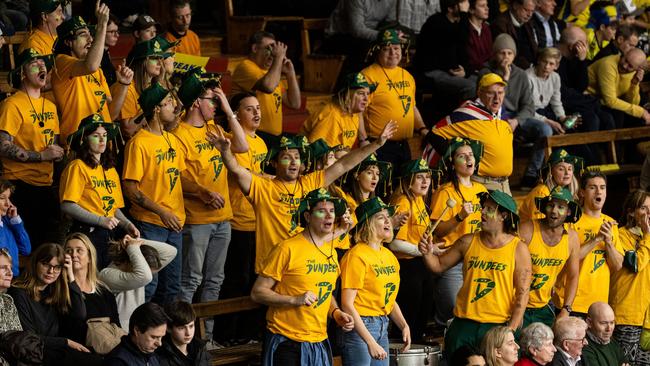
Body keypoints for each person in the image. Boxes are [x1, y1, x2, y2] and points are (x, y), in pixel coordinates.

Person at [207, 117, 398, 274]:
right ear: (274, 163)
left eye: (297, 157)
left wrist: (376, 144)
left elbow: (343, 165)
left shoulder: (310, 183)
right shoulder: (262, 187)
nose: (293, 162)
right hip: (273, 270)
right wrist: (225, 151)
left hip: (308, 266)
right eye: (286, 157)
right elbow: (236, 169)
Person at [173, 70, 248, 342]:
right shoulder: (179, 133)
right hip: (197, 220)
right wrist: (201, 192)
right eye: (211, 99)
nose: (215, 104)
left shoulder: (214, 129)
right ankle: (182, 337)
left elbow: (241, 146)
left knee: (215, 281)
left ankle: (206, 339)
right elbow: (176, 175)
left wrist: (228, 108)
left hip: (223, 219)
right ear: (195, 102)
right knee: (190, 280)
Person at [421, 190, 532, 356]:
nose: (482, 212)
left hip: (497, 325)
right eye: (483, 208)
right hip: (463, 325)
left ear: (503, 216)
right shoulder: (467, 241)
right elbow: (438, 266)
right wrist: (426, 253)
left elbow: (523, 294)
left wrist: (511, 329)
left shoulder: (518, 248)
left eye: (489, 209)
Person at [251, 188, 355, 365]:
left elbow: (325, 292)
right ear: (307, 217)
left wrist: (336, 313)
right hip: (287, 341)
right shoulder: (287, 248)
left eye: (331, 211)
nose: (329, 216)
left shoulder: (331, 251)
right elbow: (257, 292)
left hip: (319, 340)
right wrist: (294, 300)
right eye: (321, 211)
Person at [122, 83, 185, 304]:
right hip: (150, 223)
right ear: (156, 109)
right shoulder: (138, 143)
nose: (174, 106)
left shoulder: (172, 140)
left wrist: (203, 191)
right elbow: (131, 189)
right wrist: (161, 212)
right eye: (169, 102)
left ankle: (165, 336)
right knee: (149, 285)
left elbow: (179, 178)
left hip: (175, 223)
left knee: (172, 286)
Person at [217, 92, 268, 344]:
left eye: (258, 108)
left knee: (256, 281)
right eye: (250, 109)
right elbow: (243, 175)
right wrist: (273, 180)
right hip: (237, 221)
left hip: (259, 222)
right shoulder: (228, 141)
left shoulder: (262, 144)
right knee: (236, 281)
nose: (257, 113)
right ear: (236, 114)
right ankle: (226, 335)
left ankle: (249, 334)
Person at [0, 48, 63, 247]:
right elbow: (2, 145)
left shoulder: (50, 106)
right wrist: (42, 156)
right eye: (34, 64)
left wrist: (58, 153)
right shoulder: (12, 104)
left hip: (46, 184)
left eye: (43, 63)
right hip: (21, 184)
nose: (42, 66)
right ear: (22, 73)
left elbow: (52, 142)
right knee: (27, 247)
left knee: (48, 246)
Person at [59, 114, 139, 269]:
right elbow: (67, 205)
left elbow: (113, 208)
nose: (102, 140)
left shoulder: (110, 169)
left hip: (108, 233)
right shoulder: (77, 166)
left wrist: (127, 224)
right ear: (84, 139)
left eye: (104, 135)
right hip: (85, 232)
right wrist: (100, 220)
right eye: (96, 136)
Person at [340, 197, 411, 365]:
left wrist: (404, 325)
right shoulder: (356, 255)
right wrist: (370, 342)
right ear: (369, 223)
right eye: (381, 217)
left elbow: (389, 299)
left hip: (382, 325)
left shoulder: (389, 256)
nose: (388, 221)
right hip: (360, 326)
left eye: (388, 217)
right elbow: (347, 304)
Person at [8, 244, 102, 365]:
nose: (51, 271)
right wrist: (66, 342)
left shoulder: (53, 292)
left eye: (57, 267)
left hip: (54, 349)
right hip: (35, 352)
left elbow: (80, 314)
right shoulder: (18, 293)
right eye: (46, 264)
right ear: (35, 263)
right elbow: (29, 338)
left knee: (96, 360)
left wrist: (71, 276)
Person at [429, 138, 487, 332]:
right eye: (462, 156)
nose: (469, 158)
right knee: (453, 314)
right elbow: (436, 230)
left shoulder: (481, 190)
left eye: (471, 154)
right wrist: (459, 217)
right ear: (453, 164)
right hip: (452, 260)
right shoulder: (445, 192)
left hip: (477, 259)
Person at [52, 8, 133, 143]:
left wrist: (124, 84)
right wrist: (102, 24)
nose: (90, 39)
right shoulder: (61, 62)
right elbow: (90, 65)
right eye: (83, 34)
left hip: (101, 143)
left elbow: (111, 114)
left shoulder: (97, 71)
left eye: (91, 34)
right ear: (68, 42)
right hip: (78, 145)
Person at [427, 73, 514, 193]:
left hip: (505, 184)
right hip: (481, 184)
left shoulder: (501, 118)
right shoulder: (466, 115)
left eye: (500, 92)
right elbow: (433, 134)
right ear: (479, 93)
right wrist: (456, 158)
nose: (496, 97)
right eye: (491, 92)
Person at [552, 172, 623, 316]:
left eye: (602, 187)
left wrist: (608, 242)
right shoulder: (570, 221)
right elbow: (565, 258)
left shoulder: (610, 223)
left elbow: (617, 265)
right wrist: (596, 240)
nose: (599, 192)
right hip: (571, 303)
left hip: (599, 305)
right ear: (582, 192)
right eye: (593, 187)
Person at [362, 29, 428, 168]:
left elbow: (412, 107)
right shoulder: (368, 76)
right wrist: (363, 140)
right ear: (377, 51)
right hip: (378, 144)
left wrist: (422, 129)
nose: (393, 53)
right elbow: (358, 112)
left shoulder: (407, 75)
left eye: (396, 48)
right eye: (387, 49)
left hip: (404, 145)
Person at [387, 159, 436, 343]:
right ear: (408, 181)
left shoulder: (420, 201)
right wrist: (424, 251)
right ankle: (403, 344)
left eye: (427, 177)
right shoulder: (402, 202)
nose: (425, 182)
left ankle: (417, 339)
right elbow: (395, 243)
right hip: (405, 264)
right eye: (419, 178)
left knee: (426, 301)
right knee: (410, 306)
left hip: (419, 261)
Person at [518, 187, 581, 328]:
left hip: (544, 307)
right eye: (551, 205)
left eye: (560, 207)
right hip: (515, 304)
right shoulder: (527, 229)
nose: (554, 211)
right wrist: (517, 310)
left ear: (569, 212)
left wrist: (566, 309)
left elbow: (573, 276)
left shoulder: (572, 238)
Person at [231, 30, 301, 147]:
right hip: (254, 133)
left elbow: (294, 103)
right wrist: (278, 58)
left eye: (275, 49)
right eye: (270, 48)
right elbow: (268, 87)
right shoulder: (245, 66)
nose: (273, 53)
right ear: (255, 48)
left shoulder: (271, 73)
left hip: (272, 136)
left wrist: (290, 73)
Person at [99, 236, 177, 331]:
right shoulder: (107, 274)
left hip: (134, 332)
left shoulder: (138, 273)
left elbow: (171, 251)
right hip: (117, 334)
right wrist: (133, 248)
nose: (150, 274)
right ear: (133, 262)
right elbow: (146, 276)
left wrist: (135, 242)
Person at [609, 190, 650, 365]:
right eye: (643, 208)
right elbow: (635, 264)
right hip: (627, 314)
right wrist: (648, 236)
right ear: (631, 212)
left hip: (647, 318)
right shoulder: (620, 234)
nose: (649, 212)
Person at [62, 233, 122, 349]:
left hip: (107, 350)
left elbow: (116, 325)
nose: (73, 255)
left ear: (89, 257)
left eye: (79, 250)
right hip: (75, 352)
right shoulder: (61, 289)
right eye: (69, 251)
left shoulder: (104, 291)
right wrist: (70, 277)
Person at [416, 0, 475, 106]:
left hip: (449, 71)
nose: (466, 7)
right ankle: (461, 119)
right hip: (432, 71)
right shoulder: (435, 22)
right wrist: (464, 13)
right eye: (461, 4)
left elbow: (464, 53)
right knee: (470, 86)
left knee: (484, 82)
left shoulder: (457, 25)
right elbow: (461, 38)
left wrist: (465, 71)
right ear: (450, 8)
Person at [522, 47, 567, 187]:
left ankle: (560, 177)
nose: (547, 67)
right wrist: (548, 121)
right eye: (544, 62)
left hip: (543, 113)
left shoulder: (555, 77)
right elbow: (526, 108)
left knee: (566, 129)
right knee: (546, 130)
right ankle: (530, 175)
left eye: (551, 64)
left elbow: (556, 101)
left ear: (556, 65)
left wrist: (563, 118)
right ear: (539, 61)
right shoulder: (527, 77)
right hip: (525, 114)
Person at [302, 72, 372, 150]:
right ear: (347, 95)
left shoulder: (353, 113)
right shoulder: (332, 115)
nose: (366, 99)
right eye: (361, 93)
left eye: (367, 94)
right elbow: (316, 150)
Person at [587, 48, 650, 127]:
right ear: (624, 54)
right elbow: (610, 101)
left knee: (635, 119)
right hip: (588, 98)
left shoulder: (634, 73)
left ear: (637, 69)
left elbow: (633, 103)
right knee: (611, 118)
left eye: (630, 66)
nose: (624, 65)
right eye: (625, 60)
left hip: (603, 102)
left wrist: (634, 84)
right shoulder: (608, 65)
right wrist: (641, 112)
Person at [519, 149, 583, 222]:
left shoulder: (568, 192)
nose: (567, 173)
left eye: (570, 169)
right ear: (551, 171)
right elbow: (538, 226)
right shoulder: (541, 193)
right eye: (561, 169)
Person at [104, 301, 170, 366]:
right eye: (154, 337)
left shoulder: (152, 355)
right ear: (137, 330)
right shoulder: (117, 362)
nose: (159, 343)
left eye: (161, 337)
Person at [157, 300, 210, 366]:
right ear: (168, 328)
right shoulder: (161, 355)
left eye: (191, 326)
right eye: (181, 328)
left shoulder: (199, 348)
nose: (188, 333)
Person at [491, 0, 538, 69]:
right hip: (513, 68)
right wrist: (531, 67)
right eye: (526, 10)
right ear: (515, 6)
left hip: (532, 67)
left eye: (532, 11)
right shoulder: (500, 24)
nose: (529, 15)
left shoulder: (528, 22)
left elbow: (534, 47)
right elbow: (508, 55)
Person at [582, 302, 629, 366]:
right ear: (589, 322)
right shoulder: (584, 347)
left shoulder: (613, 343)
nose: (609, 329)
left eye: (612, 323)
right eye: (603, 323)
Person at [0, 180, 30, 276]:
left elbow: (26, 250)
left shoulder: (7, 223)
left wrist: (15, 221)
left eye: (8, 198)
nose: (8, 204)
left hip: (12, 278)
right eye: (2, 198)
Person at [467, 0, 492, 75]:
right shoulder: (466, 30)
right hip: (476, 72)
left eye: (487, 5)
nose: (487, 8)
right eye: (482, 6)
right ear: (471, 10)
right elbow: (473, 61)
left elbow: (491, 52)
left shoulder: (486, 27)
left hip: (489, 67)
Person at [101, 15, 120, 87]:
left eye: (117, 31)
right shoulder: (98, 55)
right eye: (112, 32)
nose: (117, 35)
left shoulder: (106, 52)